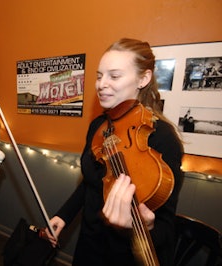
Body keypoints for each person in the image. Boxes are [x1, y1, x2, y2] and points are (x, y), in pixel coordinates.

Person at [45, 38, 184, 266]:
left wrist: (145, 226)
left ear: (144, 78)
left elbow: (166, 230)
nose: (101, 84)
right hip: (89, 247)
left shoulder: (163, 138)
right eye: (99, 76)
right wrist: (64, 215)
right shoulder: (98, 125)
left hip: (126, 256)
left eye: (114, 76)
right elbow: (92, 183)